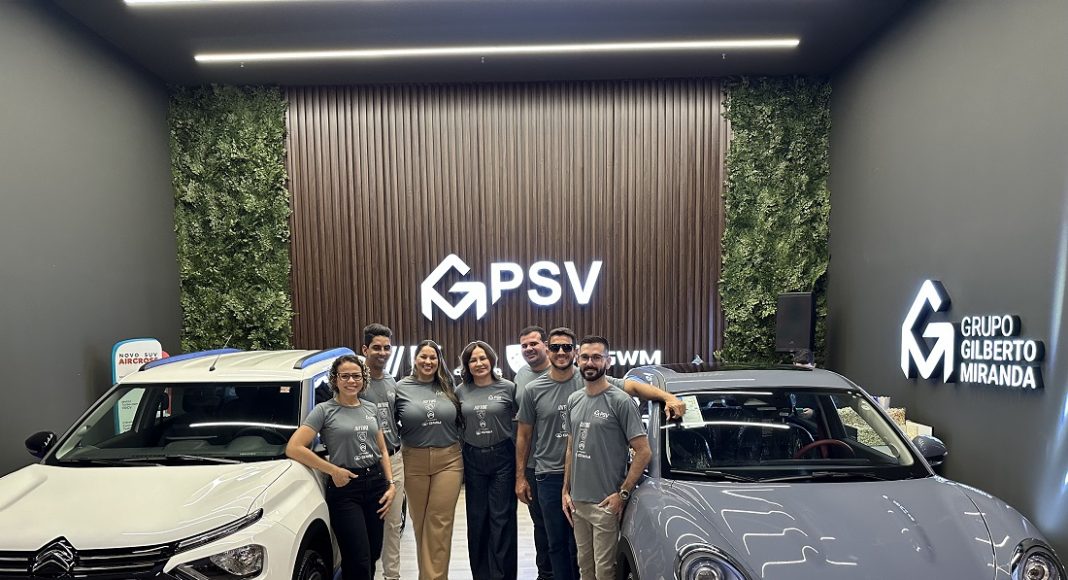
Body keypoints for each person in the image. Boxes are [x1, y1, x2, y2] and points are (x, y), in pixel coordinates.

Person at [516, 327, 686, 580]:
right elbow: (524, 435)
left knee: (586, 553)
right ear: (549, 351)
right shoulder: (535, 390)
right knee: (555, 544)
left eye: (566, 347)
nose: (561, 352)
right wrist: (522, 477)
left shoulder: (595, 381)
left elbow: (634, 388)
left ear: (574, 352)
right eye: (555, 347)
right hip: (550, 475)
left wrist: (667, 396)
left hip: (592, 483)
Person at [286, 355, 397, 580]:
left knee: (373, 552)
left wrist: (391, 484)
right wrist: (332, 470)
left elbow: (382, 450)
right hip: (346, 489)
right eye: (344, 376)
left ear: (363, 379)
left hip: (375, 484)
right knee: (357, 558)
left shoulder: (370, 408)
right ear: (335, 380)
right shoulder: (324, 410)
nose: (351, 381)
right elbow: (294, 447)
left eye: (356, 376)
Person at [562, 336, 651, 580]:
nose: (590, 362)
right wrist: (565, 490)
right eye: (585, 357)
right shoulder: (573, 400)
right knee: (585, 570)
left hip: (605, 505)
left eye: (596, 357)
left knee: (604, 572)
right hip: (578, 503)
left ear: (608, 362)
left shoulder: (621, 401)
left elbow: (644, 451)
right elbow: (570, 448)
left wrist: (622, 494)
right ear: (577, 360)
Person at [395, 339, 464, 580]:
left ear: (439, 360)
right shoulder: (400, 388)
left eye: (433, 357)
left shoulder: (448, 386)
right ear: (415, 360)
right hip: (413, 459)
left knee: (439, 522)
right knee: (421, 523)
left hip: (449, 460)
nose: (428, 361)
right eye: (423, 357)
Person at [456, 341, 518, 580]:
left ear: (492, 360)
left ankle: (503, 575)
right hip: (473, 458)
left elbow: (524, 423)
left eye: (483, 358)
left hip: (503, 458)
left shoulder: (509, 388)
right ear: (467, 365)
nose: (479, 363)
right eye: (473, 360)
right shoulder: (460, 391)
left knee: (502, 519)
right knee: (477, 519)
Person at [360, 323, 405, 580]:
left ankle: (392, 576)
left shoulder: (391, 381)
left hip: (394, 458)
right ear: (365, 349)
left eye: (387, 348)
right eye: (376, 348)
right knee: (368, 526)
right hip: (366, 462)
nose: (382, 353)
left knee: (393, 524)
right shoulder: (355, 380)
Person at [513, 325, 553, 580]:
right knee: (540, 524)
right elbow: (521, 429)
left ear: (546, 346)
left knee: (563, 525)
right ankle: (545, 574)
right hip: (532, 465)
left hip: (562, 465)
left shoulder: (563, 373)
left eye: (534, 343)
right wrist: (520, 475)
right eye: (524, 345)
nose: (529, 348)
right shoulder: (521, 375)